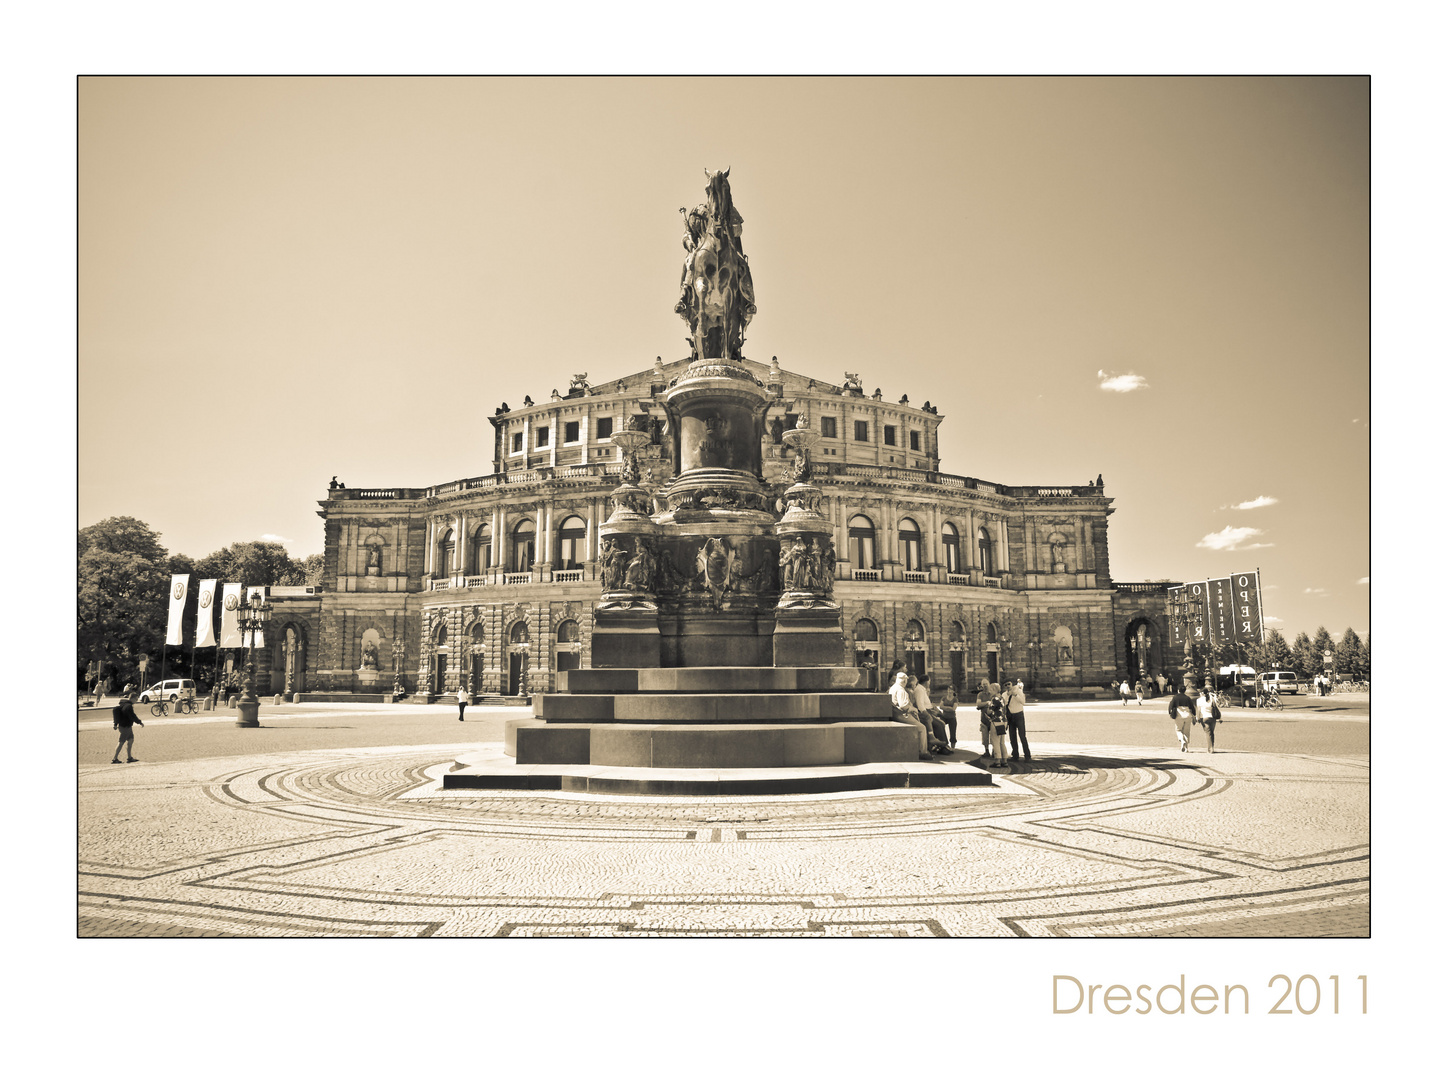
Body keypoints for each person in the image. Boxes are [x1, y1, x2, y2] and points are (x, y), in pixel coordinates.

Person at [889, 671, 949, 758]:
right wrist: (914, 709)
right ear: (905, 681)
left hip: (896, 714)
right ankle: (923, 752)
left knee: (934, 722)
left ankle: (934, 744)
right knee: (922, 728)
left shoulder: (893, 688)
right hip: (902, 715)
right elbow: (904, 706)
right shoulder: (901, 690)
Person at [907, 674, 952, 751]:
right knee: (939, 724)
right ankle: (943, 746)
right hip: (925, 712)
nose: (929, 683)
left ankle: (943, 744)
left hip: (929, 711)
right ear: (926, 682)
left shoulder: (922, 689)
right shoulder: (919, 690)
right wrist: (927, 714)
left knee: (943, 722)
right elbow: (920, 704)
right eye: (929, 681)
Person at [1003, 679, 1031, 761]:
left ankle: (1027, 755)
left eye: (1009, 684)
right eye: (1006, 685)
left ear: (1012, 684)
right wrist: (1008, 695)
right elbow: (1004, 704)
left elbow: (1023, 702)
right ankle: (1015, 754)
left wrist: (1015, 695)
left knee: (1022, 736)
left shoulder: (1018, 691)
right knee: (1012, 737)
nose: (1008, 686)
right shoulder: (1004, 694)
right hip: (1010, 716)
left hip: (1019, 715)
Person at [111, 694, 143, 763]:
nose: (136, 701)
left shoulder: (124, 704)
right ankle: (115, 758)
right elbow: (132, 716)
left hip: (126, 726)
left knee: (131, 740)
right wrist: (139, 722)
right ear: (132, 698)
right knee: (121, 742)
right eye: (136, 699)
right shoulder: (128, 706)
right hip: (125, 727)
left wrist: (116, 724)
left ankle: (129, 757)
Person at [975, 679, 995, 755]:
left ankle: (994, 751)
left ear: (989, 684)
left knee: (993, 736)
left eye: (986, 683)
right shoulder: (980, 694)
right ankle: (986, 750)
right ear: (981, 686)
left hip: (993, 718)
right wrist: (987, 703)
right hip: (983, 718)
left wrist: (983, 704)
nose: (985, 685)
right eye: (983, 684)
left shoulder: (993, 694)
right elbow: (978, 704)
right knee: (984, 735)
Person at [939, 684, 959, 749]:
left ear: (953, 691)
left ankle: (953, 747)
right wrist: (948, 708)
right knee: (940, 727)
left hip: (952, 717)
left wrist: (945, 708)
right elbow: (940, 706)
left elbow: (953, 709)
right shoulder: (944, 698)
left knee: (953, 732)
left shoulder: (955, 699)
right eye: (948, 689)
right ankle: (944, 743)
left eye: (951, 690)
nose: (949, 691)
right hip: (944, 716)